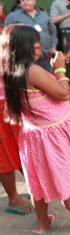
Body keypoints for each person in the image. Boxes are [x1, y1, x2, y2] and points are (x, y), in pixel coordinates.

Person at [0, 24, 70, 235]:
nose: (39, 45)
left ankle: (42, 223)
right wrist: (60, 68)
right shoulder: (32, 70)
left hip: (32, 136)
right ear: (23, 46)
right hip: (50, 139)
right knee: (63, 178)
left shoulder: (10, 70)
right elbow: (62, 93)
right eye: (34, 41)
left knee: (37, 182)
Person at [0, 18, 33, 216]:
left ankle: (34, 188)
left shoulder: (4, 41)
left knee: (22, 148)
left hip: (11, 103)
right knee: (4, 155)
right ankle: (13, 198)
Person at [5, 0, 57, 70]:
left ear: (34, 0)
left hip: (46, 57)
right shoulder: (12, 17)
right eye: (22, 0)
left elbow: (53, 32)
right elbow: (6, 36)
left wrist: (53, 46)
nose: (25, 2)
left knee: (48, 79)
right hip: (25, 59)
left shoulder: (44, 15)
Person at [50, 0, 70, 77]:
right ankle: (67, 79)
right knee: (67, 56)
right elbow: (53, 19)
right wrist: (68, 13)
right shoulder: (57, 3)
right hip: (66, 33)